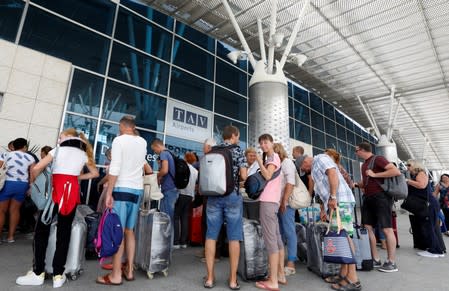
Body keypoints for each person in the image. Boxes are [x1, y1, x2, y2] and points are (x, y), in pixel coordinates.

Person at [16, 129, 98, 288]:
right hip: (72, 194)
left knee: (41, 231)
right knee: (64, 233)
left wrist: (34, 183)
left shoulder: (58, 150)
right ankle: (58, 275)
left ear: (68, 137)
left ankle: (38, 272)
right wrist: (75, 177)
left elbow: (36, 168)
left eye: (61, 136)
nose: (59, 139)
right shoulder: (84, 153)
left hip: (55, 194)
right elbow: (94, 173)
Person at [97, 116, 150, 285]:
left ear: (122, 126)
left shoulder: (119, 140)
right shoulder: (142, 142)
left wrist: (109, 192)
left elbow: (115, 167)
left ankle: (116, 275)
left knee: (117, 231)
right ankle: (129, 270)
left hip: (121, 189)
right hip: (137, 190)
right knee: (129, 231)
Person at [299, 154, 361, 291]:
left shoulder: (320, 159)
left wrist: (333, 197)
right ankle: (343, 274)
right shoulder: (315, 168)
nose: (304, 170)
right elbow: (322, 190)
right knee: (341, 239)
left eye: (303, 167)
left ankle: (353, 279)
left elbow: (332, 173)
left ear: (305, 161)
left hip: (340, 202)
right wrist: (324, 208)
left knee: (344, 239)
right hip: (335, 204)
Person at [203, 125, 247, 290]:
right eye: (238, 136)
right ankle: (233, 280)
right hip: (232, 197)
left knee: (211, 236)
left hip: (213, 197)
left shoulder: (213, 150)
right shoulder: (237, 151)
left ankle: (209, 278)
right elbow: (243, 176)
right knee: (234, 237)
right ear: (234, 136)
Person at [355, 142, 401, 273]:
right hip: (369, 198)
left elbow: (395, 171)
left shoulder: (378, 159)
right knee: (367, 228)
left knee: (387, 229)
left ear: (362, 150)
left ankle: (391, 262)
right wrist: (355, 184)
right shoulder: (364, 164)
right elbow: (366, 182)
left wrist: (375, 175)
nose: (355, 152)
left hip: (381, 197)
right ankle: (375, 258)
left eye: (356, 150)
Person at [254, 134, 285, 290]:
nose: (263, 146)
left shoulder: (272, 158)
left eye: (265, 142)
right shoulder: (275, 158)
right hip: (273, 202)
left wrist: (259, 160)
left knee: (270, 240)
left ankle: (273, 281)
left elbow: (267, 175)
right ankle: (279, 274)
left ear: (272, 143)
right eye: (261, 143)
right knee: (277, 238)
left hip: (268, 202)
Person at [406, 160, 445, 257]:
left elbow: (421, 185)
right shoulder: (416, 175)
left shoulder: (420, 173)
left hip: (429, 204)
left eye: (409, 165)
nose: (407, 167)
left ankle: (434, 251)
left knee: (429, 227)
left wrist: (408, 181)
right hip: (427, 204)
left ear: (416, 165)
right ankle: (437, 249)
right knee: (429, 226)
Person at [0, 138, 35, 243]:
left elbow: (0, 167)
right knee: (15, 210)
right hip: (22, 185)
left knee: (1, 211)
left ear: (13, 146)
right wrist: (31, 186)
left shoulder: (5, 155)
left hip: (7, 183)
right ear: (24, 147)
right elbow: (33, 174)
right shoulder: (30, 157)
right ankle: (10, 237)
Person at [273, 143, 297, 277]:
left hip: (285, 203)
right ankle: (281, 260)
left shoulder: (287, 162)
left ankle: (291, 262)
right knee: (280, 232)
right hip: (277, 203)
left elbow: (290, 183)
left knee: (289, 231)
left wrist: (284, 201)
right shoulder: (277, 164)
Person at [151, 139, 179, 226]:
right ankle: (169, 238)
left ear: (157, 146)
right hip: (173, 188)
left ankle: (166, 238)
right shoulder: (170, 153)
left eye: (154, 150)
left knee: (166, 217)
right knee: (169, 216)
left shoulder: (163, 153)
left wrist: (156, 176)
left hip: (168, 189)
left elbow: (165, 170)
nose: (155, 152)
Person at [174, 152, 199, 249]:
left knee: (176, 217)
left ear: (185, 158)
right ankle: (183, 242)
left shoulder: (182, 167)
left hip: (181, 194)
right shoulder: (196, 171)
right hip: (190, 196)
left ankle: (175, 241)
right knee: (184, 218)